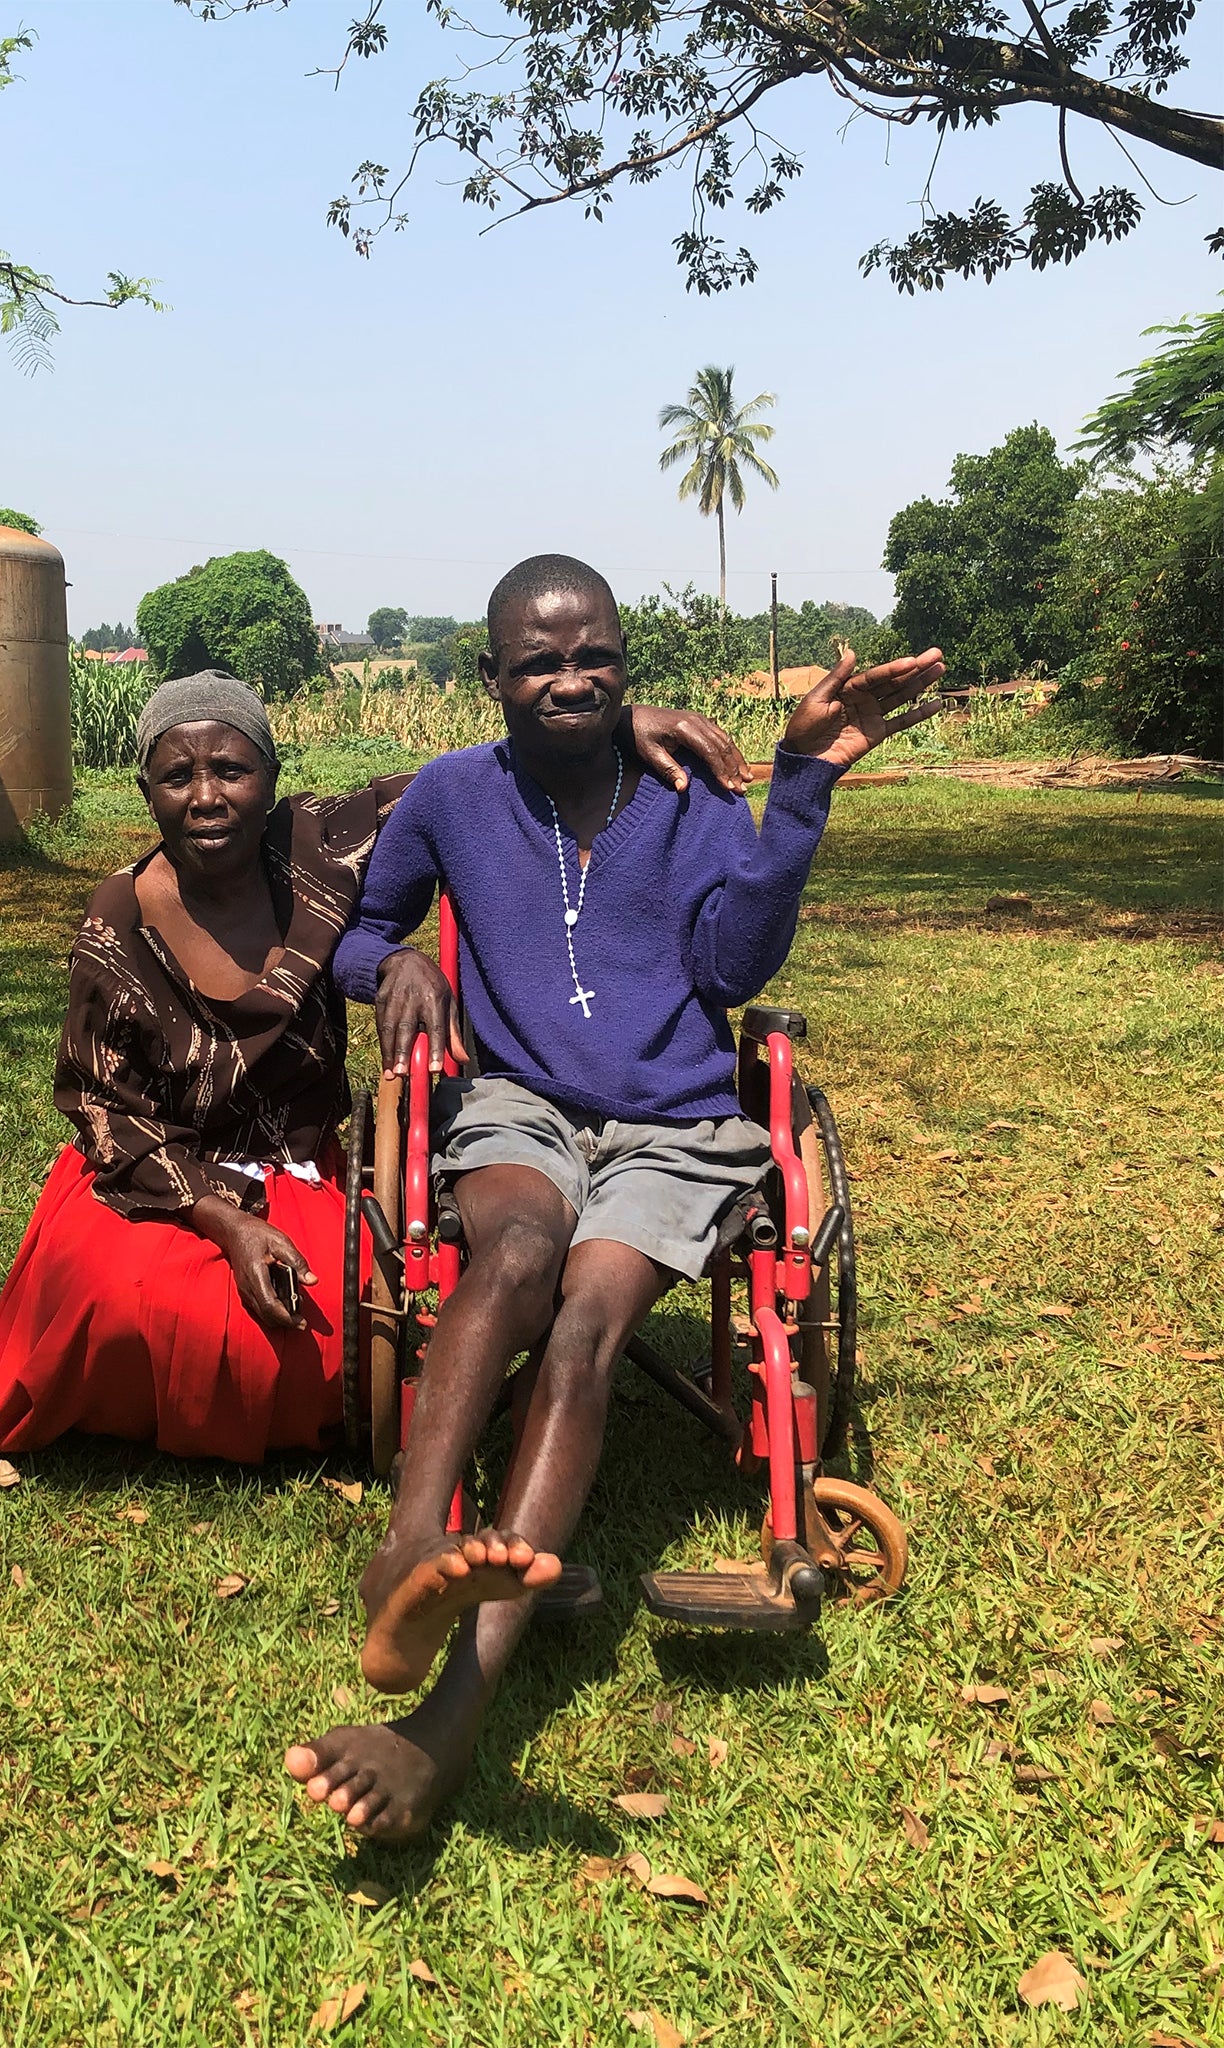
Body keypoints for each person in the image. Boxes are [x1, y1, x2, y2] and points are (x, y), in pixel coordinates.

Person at [286, 555, 943, 1839]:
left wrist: (801, 788)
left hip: (678, 1120)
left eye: (592, 655)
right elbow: (352, 927)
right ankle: (412, 1542)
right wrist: (398, 963)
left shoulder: (687, 792)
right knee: (516, 1249)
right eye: (537, 661)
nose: (569, 678)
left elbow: (735, 960)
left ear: (626, 663)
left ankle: (452, 1717)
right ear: (494, 679)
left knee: (588, 1315)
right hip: (523, 1104)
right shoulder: (454, 795)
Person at [0, 668, 757, 1463]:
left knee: (326, 1336)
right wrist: (224, 1221)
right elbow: (99, 1108)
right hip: (159, 1176)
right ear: (145, 790)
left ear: (271, 777)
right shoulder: (116, 919)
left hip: (293, 1167)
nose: (206, 798)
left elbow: (479, 776)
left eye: (231, 769)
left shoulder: (321, 845)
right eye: (176, 776)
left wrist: (609, 725)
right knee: (118, 1300)